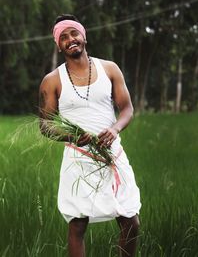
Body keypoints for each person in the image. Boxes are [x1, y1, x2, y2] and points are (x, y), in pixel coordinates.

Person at [39, 14, 141, 257]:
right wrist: (71, 137)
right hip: (78, 158)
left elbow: (126, 109)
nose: (70, 39)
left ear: (83, 35)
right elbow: (45, 125)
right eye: (63, 37)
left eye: (73, 33)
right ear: (58, 44)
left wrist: (115, 129)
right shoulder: (52, 81)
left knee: (130, 221)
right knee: (78, 224)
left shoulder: (109, 69)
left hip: (112, 154)